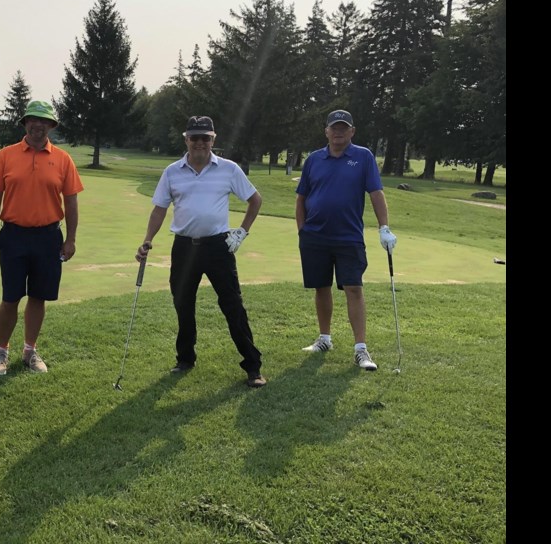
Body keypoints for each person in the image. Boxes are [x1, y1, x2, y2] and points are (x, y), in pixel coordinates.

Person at [135, 116, 267, 388]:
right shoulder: (172, 172)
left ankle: (252, 365)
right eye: (194, 138)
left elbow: (255, 200)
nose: (199, 143)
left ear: (213, 140)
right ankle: (185, 358)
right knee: (183, 304)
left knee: (233, 306)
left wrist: (242, 231)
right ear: (186, 140)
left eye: (205, 138)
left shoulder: (228, 169)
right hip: (184, 247)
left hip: (219, 246)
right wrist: (147, 239)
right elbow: (160, 208)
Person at [0, 99, 84, 376]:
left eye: (44, 121)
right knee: (11, 297)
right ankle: (1, 351)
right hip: (13, 235)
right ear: (25, 123)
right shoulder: (6, 155)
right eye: (33, 120)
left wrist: (70, 239)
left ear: (51, 125)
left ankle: (30, 351)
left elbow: (71, 202)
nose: (38, 126)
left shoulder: (63, 159)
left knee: (38, 297)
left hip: (49, 237)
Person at [296, 109, 397, 371]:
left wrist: (384, 227)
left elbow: (376, 193)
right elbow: (301, 198)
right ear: (327, 131)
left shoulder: (363, 157)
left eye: (344, 127)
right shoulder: (314, 159)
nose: (338, 131)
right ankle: (324, 339)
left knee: (354, 288)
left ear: (352, 131)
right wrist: (302, 230)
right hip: (315, 236)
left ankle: (361, 349)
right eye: (334, 127)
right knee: (321, 287)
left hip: (349, 236)